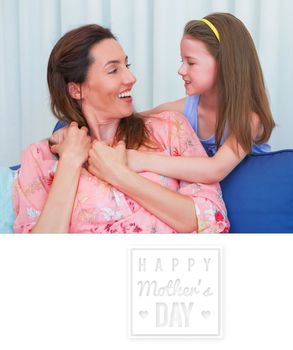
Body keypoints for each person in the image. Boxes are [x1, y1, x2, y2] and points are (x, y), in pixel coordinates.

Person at [12, 24, 229, 233]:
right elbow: (37, 257)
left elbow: (210, 218)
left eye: (127, 66)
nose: (131, 78)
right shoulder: (40, 158)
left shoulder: (170, 129)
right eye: (114, 70)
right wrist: (70, 161)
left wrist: (118, 174)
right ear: (76, 90)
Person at [126, 12, 276, 183]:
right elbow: (131, 121)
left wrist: (142, 160)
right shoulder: (184, 110)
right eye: (182, 61)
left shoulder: (250, 119)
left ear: (224, 64)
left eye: (191, 62)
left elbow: (215, 169)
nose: (181, 70)